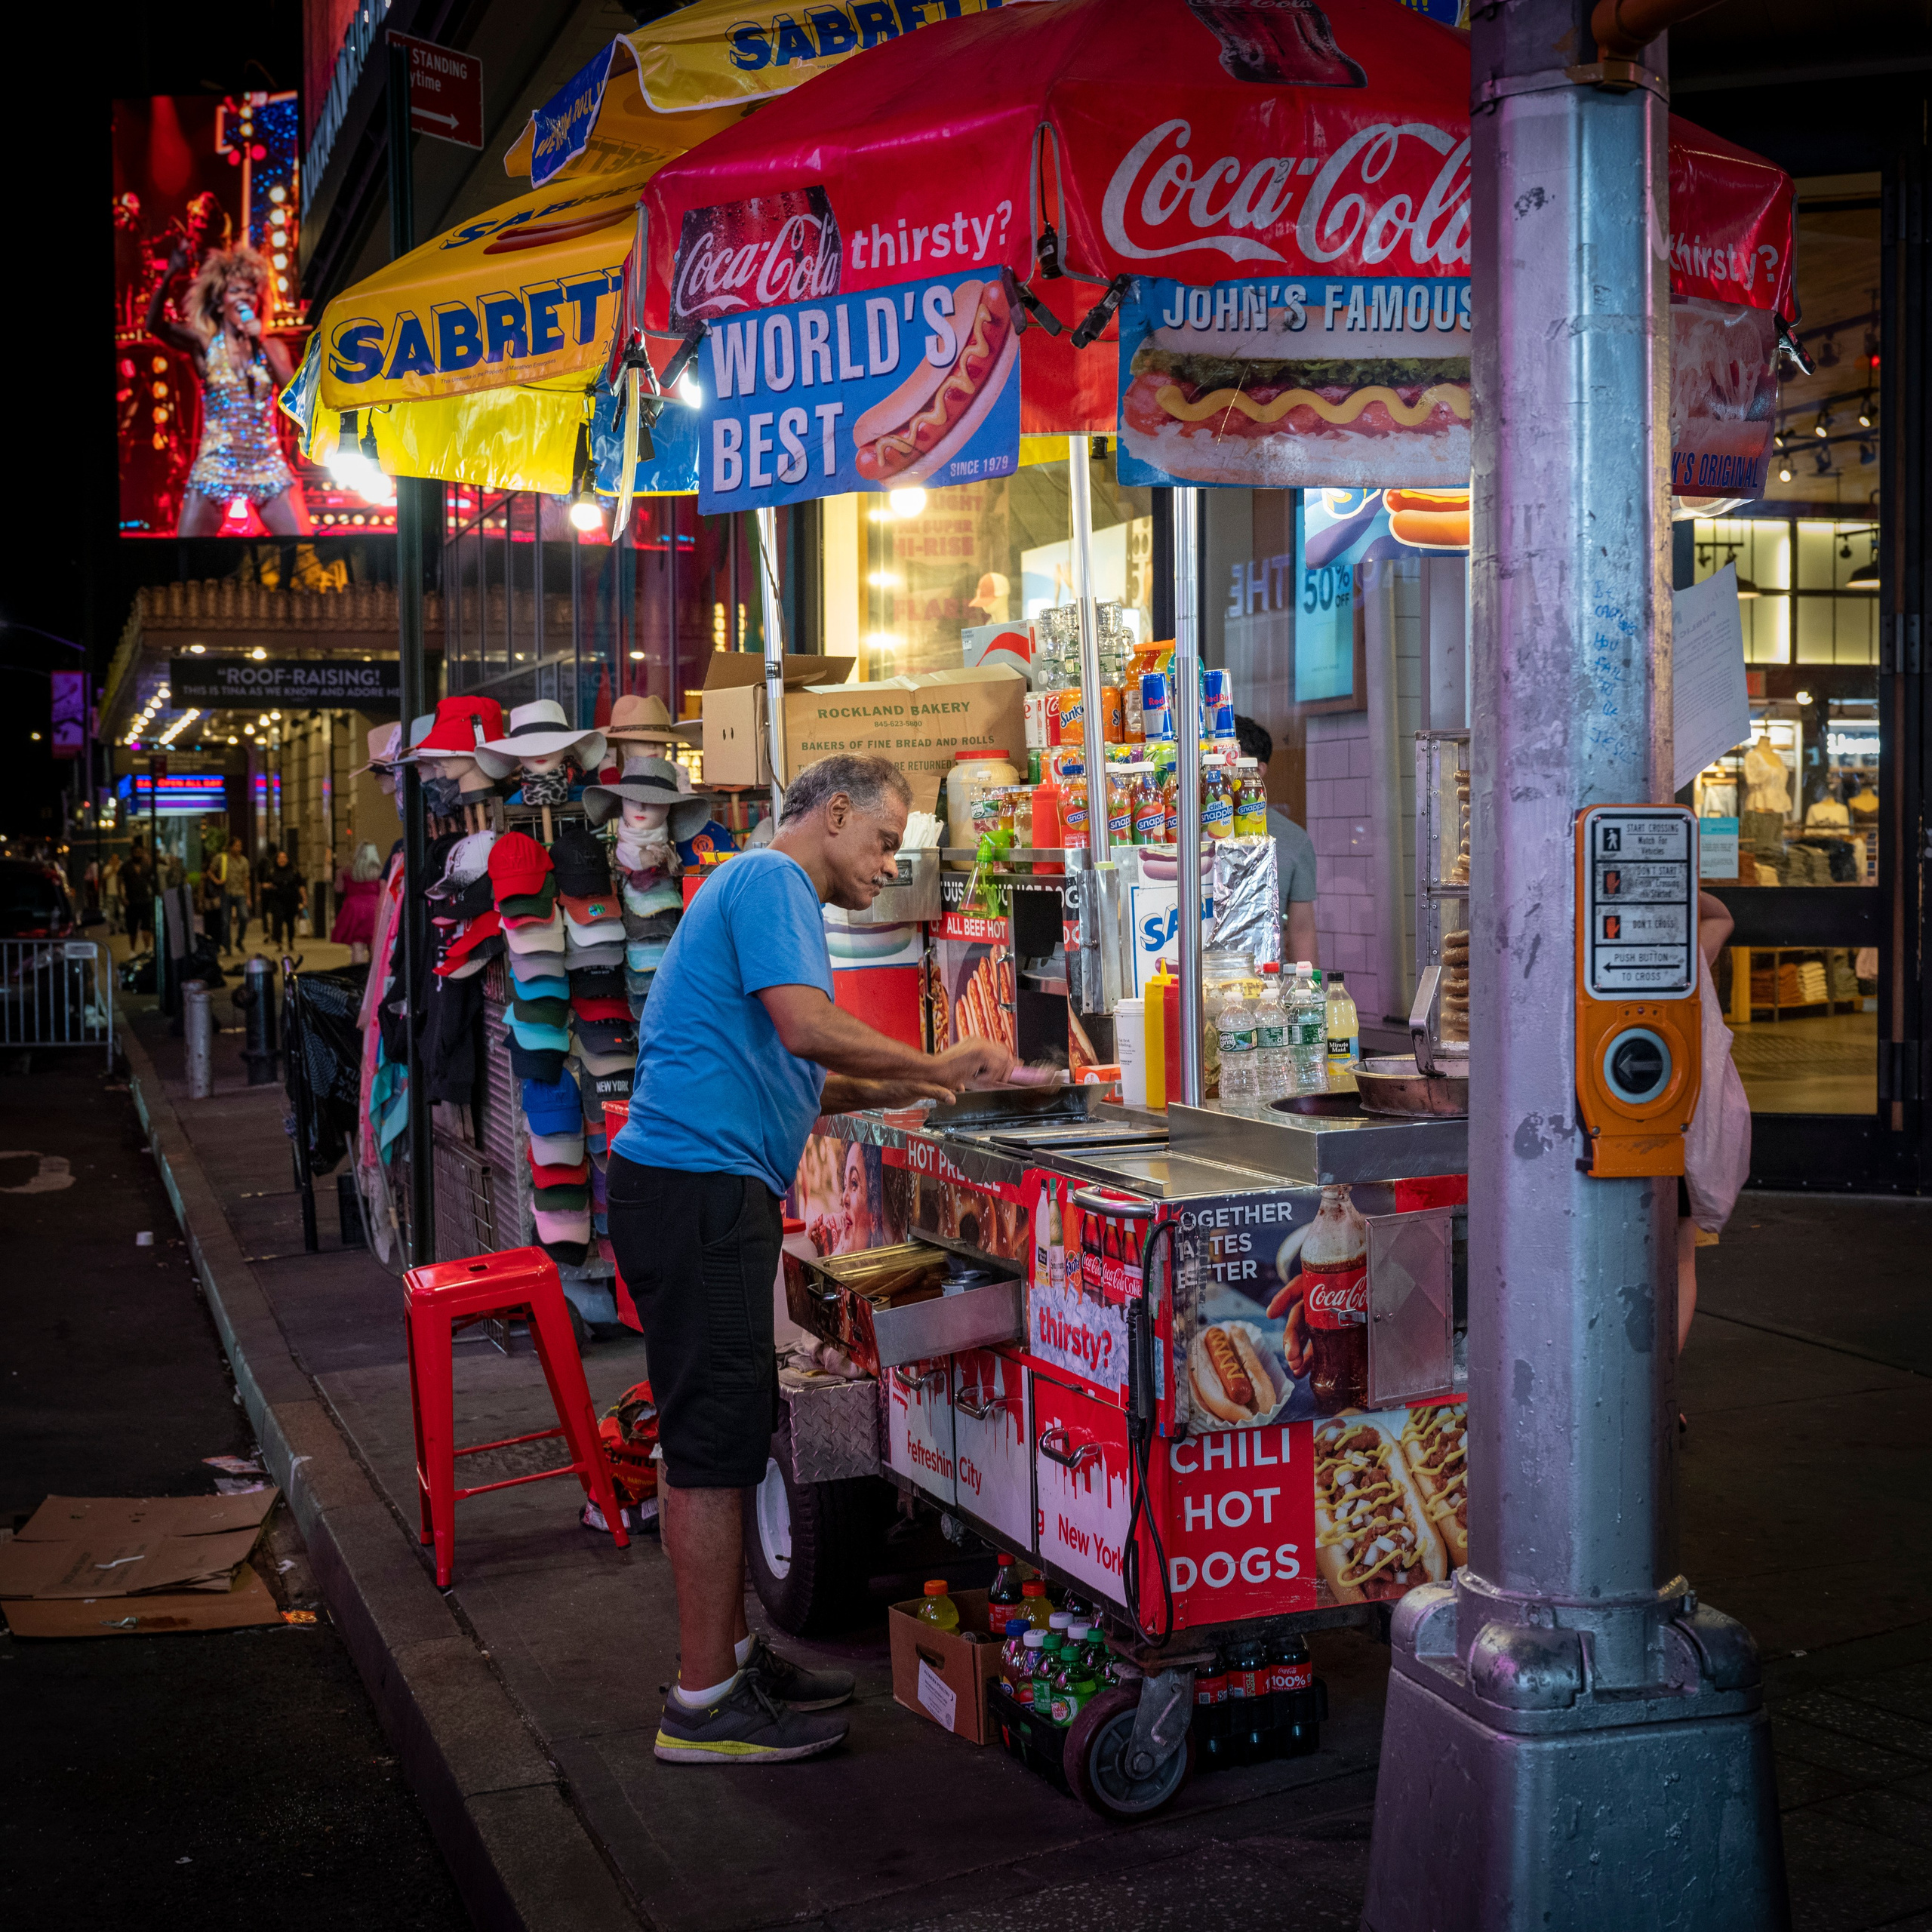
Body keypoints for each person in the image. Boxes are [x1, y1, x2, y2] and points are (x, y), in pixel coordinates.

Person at [607, 752, 1014, 1767]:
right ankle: (703, 1704)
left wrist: (909, 1095)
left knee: (727, 1430)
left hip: (699, 1190)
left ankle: (734, 1659)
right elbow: (804, 1026)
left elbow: (790, 1073)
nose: (886, 866)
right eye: (882, 842)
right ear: (833, 814)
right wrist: (926, 1060)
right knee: (713, 1444)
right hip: (697, 1193)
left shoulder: (757, 890)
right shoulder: (771, 880)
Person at [146, 242, 301, 537]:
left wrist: (263, 341)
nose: (244, 296)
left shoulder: (270, 346)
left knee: (302, 551)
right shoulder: (205, 344)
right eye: (236, 290)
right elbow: (154, 325)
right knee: (187, 558)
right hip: (216, 463)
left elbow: (296, 396)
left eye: (250, 291)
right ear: (220, 302)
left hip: (266, 464)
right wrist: (169, 275)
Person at [1678, 890, 1746, 1365]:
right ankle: (1658, 1386)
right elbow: (1721, 916)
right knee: (1680, 1261)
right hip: (1684, 1133)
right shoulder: (1688, 956)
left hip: (1602, 1132)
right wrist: (1679, 880)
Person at [1235, 715, 1320, 966]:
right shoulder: (1189, 832)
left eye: (1232, 759)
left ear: (1259, 770)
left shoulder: (1294, 840)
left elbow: (1302, 931)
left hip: (1266, 990)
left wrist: (1310, 995)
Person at [331, 842, 384, 964]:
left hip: (354, 909)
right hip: (374, 908)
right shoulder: (379, 871)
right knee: (374, 946)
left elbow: (339, 889)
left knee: (357, 947)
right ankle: (372, 977)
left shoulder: (348, 870)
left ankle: (357, 976)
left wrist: (338, 875)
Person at [263, 848, 306, 949]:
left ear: (288, 859)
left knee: (290, 922)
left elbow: (301, 885)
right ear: (276, 860)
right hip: (277, 899)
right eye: (280, 858)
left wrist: (304, 898)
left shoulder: (294, 871)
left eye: (284, 858)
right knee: (277, 921)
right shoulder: (272, 871)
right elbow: (264, 884)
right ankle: (279, 943)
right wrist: (268, 886)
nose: (282, 860)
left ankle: (290, 941)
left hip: (291, 899)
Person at [122, 841, 155, 956]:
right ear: (132, 853)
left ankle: (148, 948)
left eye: (140, 852)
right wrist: (122, 897)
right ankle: (132, 950)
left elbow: (152, 882)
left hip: (145, 900)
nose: (138, 855)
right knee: (132, 928)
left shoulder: (146, 866)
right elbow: (119, 881)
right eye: (136, 852)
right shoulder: (126, 866)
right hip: (131, 901)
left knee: (146, 926)